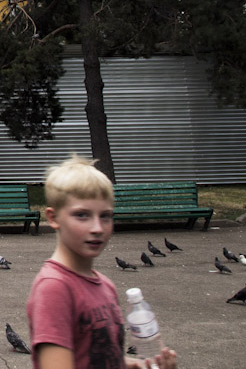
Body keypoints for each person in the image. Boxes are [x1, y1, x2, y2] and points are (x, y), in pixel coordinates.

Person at [27, 156, 178, 369]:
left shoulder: (105, 285)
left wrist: (132, 365)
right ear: (53, 218)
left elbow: (94, 358)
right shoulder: (54, 288)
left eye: (105, 216)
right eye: (82, 215)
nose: (97, 227)